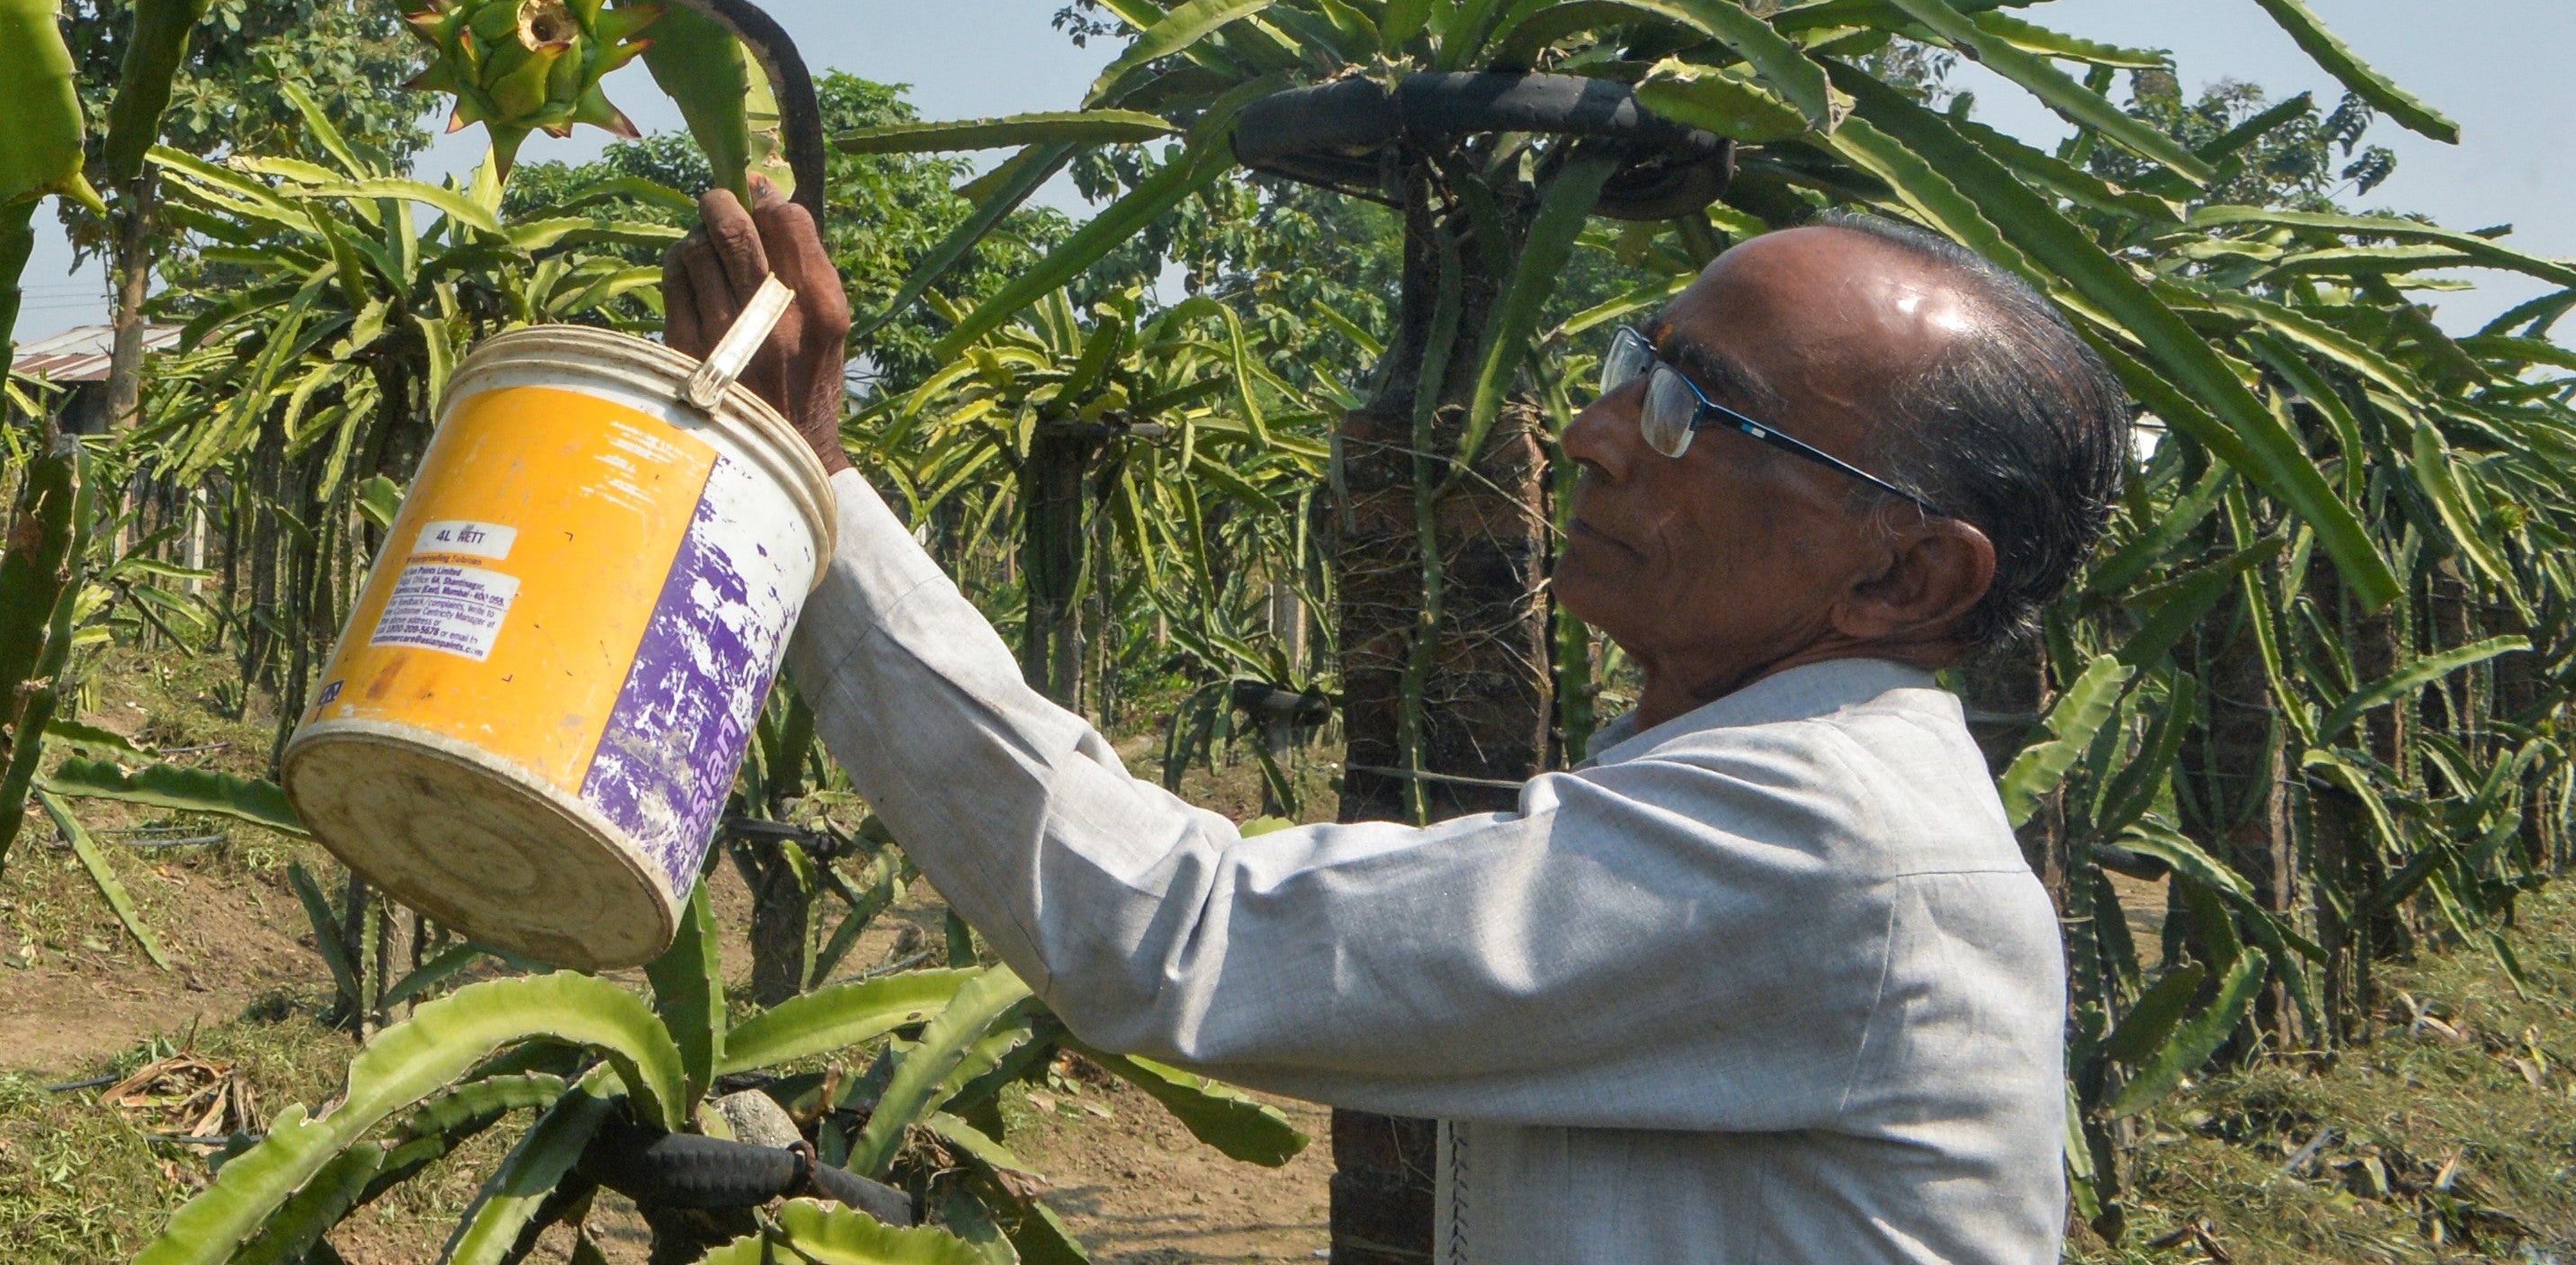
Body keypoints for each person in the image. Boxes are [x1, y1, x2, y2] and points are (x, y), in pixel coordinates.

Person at [662, 193, 2129, 1265]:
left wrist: (820, 513)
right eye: (1634, 363)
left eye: (1692, 410)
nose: (1591, 435)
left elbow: (1180, 935)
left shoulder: (1832, 841)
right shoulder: (1779, 789)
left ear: (1905, 572)